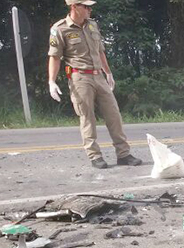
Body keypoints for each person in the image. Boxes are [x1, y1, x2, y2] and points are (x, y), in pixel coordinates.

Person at [47, 0, 143, 169]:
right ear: (74, 6)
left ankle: (123, 154)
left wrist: (108, 72)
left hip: (99, 76)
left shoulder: (92, 25)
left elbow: (100, 51)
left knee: (114, 114)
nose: (89, 10)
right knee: (87, 117)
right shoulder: (60, 29)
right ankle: (95, 156)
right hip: (80, 77)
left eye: (90, 6)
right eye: (86, 6)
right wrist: (51, 81)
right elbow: (54, 57)